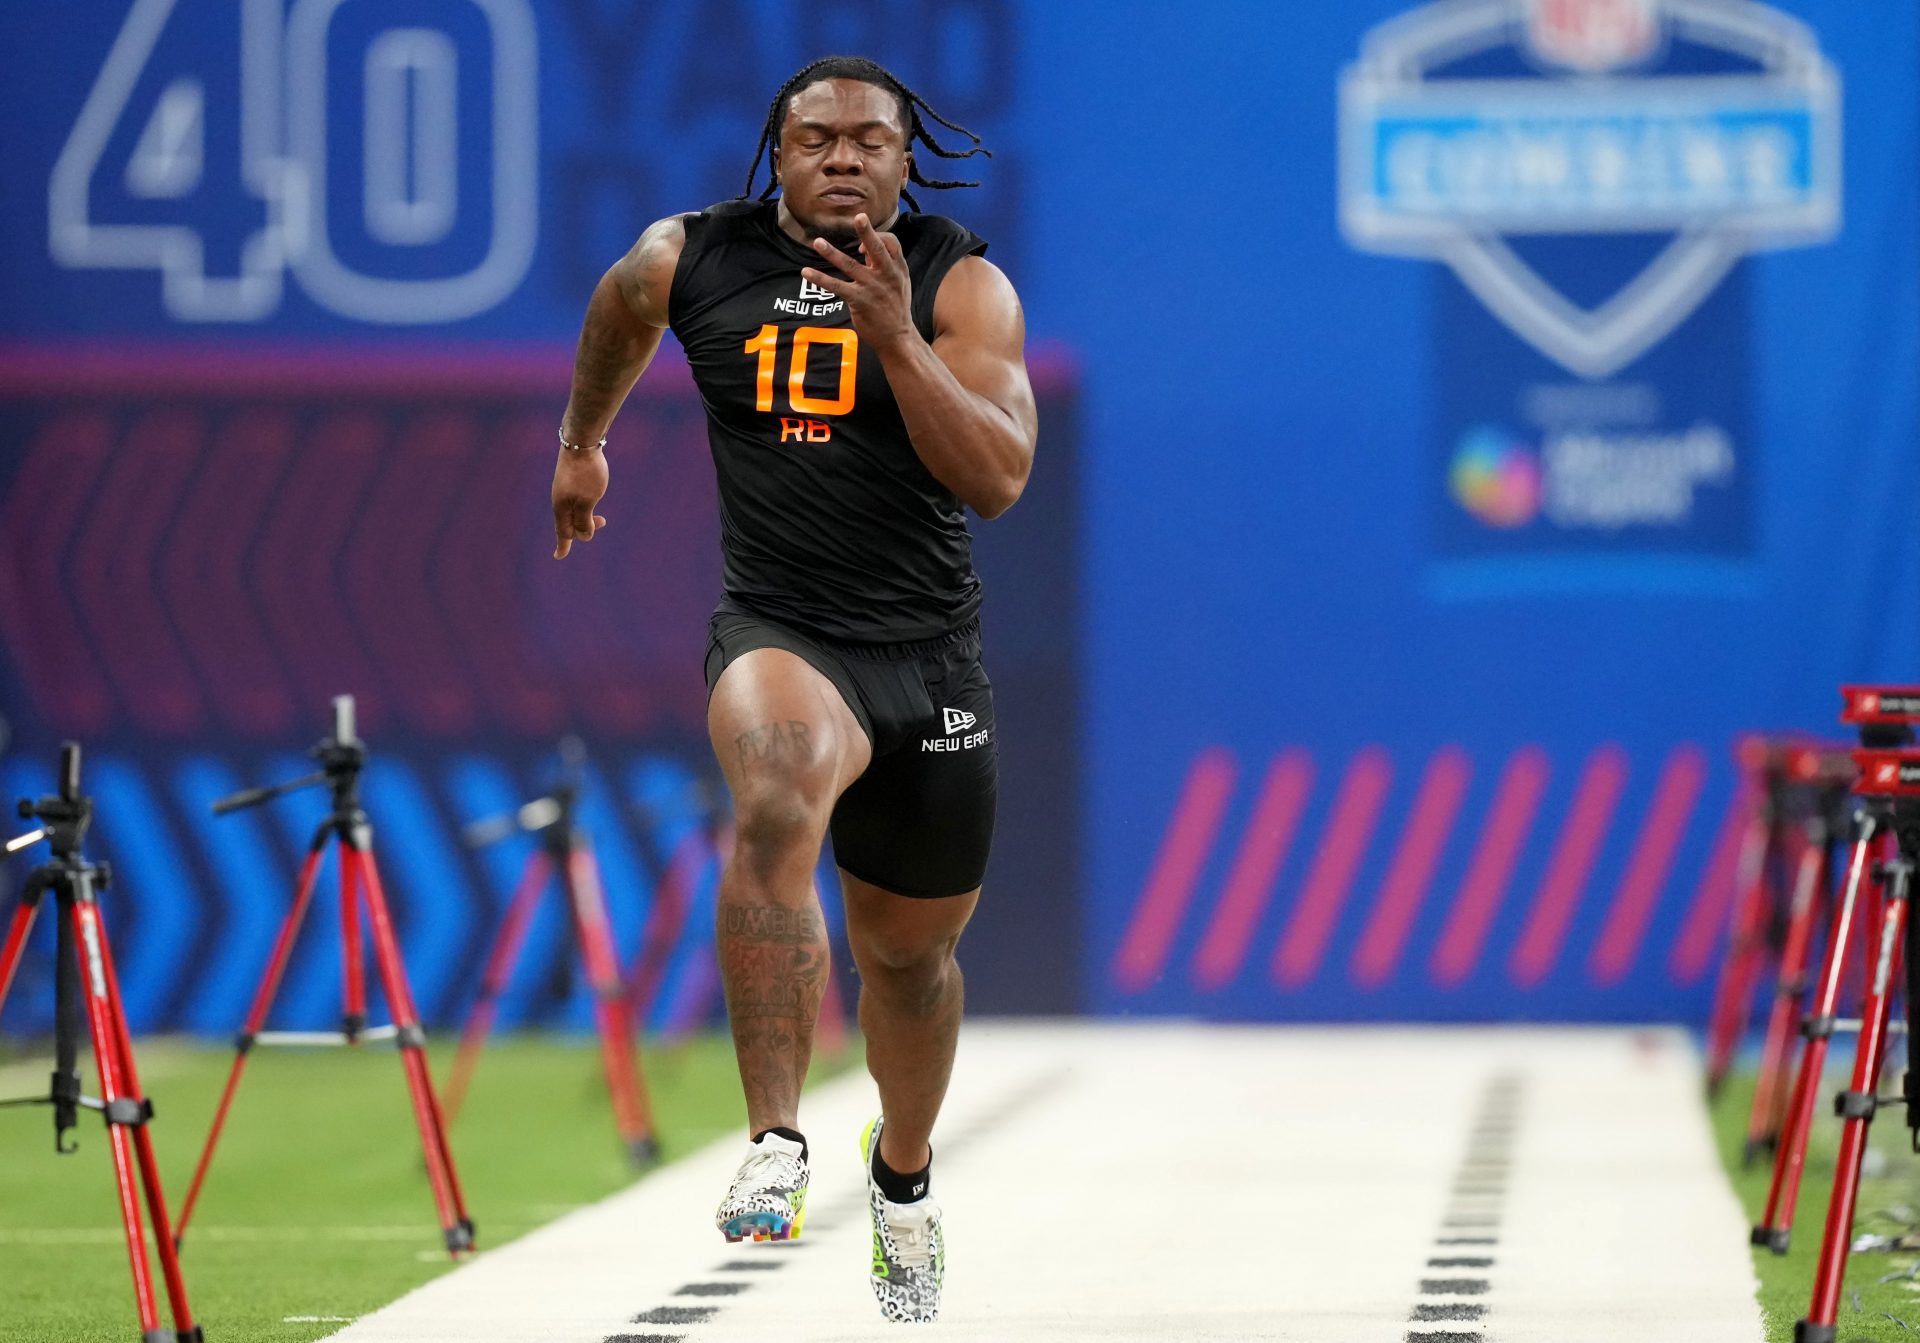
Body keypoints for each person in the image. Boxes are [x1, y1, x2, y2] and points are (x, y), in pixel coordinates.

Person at [549, 54, 1037, 1323]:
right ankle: (774, 1139)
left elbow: (995, 477)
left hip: (928, 654)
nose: (843, 159)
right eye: (815, 138)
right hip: (783, 627)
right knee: (773, 793)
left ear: (904, 158)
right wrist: (582, 443)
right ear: (777, 152)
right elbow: (618, 308)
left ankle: (905, 1181)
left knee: (911, 959)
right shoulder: (691, 256)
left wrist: (892, 336)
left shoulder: (961, 282)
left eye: (869, 141)